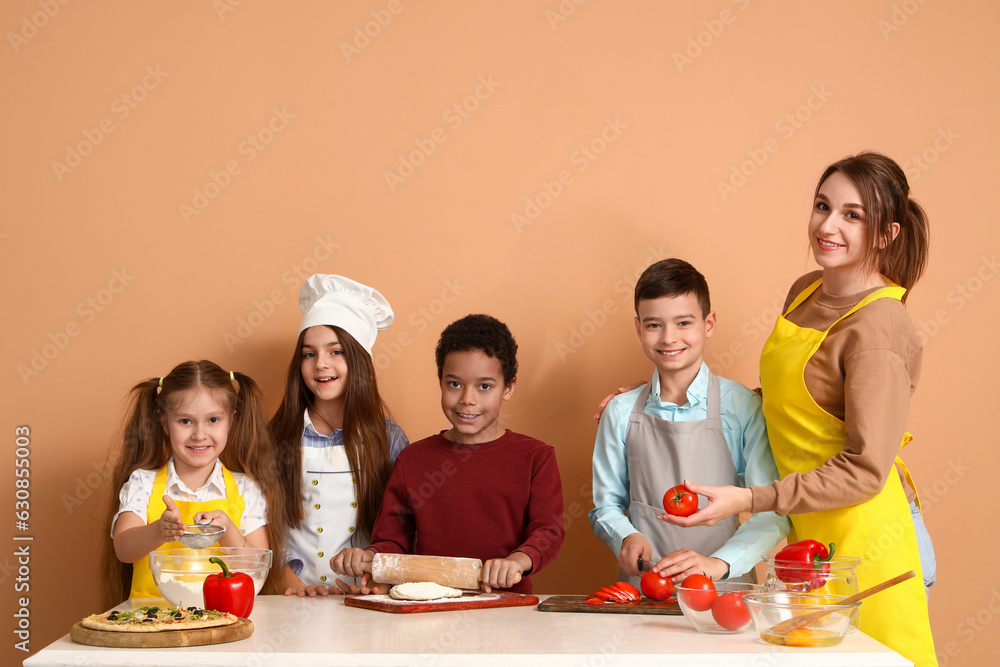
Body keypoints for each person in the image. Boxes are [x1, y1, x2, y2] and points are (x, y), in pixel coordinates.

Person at [662, 152, 937, 666]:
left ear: (886, 234)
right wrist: (662, 396)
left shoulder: (879, 329)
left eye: (853, 215)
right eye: (822, 205)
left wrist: (750, 498)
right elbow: (778, 404)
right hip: (805, 532)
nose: (827, 225)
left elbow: (866, 470)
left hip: (864, 541)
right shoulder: (806, 290)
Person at [331, 314, 565, 594]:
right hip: (429, 608)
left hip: (507, 608)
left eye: (485, 386)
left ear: (509, 387)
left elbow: (548, 531)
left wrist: (519, 560)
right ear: (440, 381)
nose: (467, 398)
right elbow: (392, 539)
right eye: (454, 384)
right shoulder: (412, 460)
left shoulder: (536, 457)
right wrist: (370, 557)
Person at [590, 259, 789, 588]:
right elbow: (605, 505)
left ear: (709, 324)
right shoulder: (620, 411)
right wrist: (625, 537)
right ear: (638, 328)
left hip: (725, 588)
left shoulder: (742, 407)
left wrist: (718, 564)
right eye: (654, 325)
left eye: (683, 323)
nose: (669, 338)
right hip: (646, 586)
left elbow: (770, 509)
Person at [100, 360, 284, 607]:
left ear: (232, 420)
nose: (199, 434)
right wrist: (158, 531)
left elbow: (257, 564)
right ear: (164, 422)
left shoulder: (245, 490)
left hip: (223, 620)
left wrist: (228, 531)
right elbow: (123, 549)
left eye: (213, 420)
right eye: (185, 421)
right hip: (152, 621)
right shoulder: (143, 483)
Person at [272, 274, 409, 596]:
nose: (321, 364)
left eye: (336, 352)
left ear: (360, 360)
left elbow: (403, 523)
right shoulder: (277, 438)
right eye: (309, 354)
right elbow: (261, 524)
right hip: (293, 598)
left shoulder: (389, 438)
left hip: (364, 596)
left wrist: (378, 577)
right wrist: (295, 586)